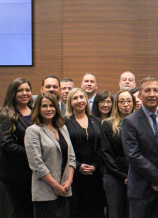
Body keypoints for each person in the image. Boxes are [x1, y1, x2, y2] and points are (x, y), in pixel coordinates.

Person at [122, 77, 158, 218]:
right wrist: (157, 178)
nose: (152, 94)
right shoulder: (130, 121)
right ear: (139, 95)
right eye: (147, 90)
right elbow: (133, 155)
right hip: (141, 190)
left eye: (156, 90)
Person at [24, 92, 76, 218]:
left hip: (65, 189)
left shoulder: (62, 128)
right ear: (38, 109)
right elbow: (36, 164)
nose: (49, 109)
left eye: (51, 106)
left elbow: (71, 157)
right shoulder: (33, 130)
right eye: (44, 106)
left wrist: (69, 180)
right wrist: (55, 185)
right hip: (45, 191)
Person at [0, 78, 34, 218]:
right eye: (20, 90)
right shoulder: (5, 114)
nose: (25, 93)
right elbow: (6, 145)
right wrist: (34, 154)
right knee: (21, 209)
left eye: (27, 90)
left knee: (33, 209)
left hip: (33, 170)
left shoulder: (36, 112)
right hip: (13, 171)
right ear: (13, 93)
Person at [65, 88, 105, 218]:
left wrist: (95, 165)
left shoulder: (96, 121)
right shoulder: (65, 122)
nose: (79, 101)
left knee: (96, 211)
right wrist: (78, 166)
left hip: (95, 175)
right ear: (70, 102)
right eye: (75, 98)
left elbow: (101, 147)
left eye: (82, 97)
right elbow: (64, 148)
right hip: (75, 175)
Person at [101, 89, 136, 218]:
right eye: (122, 101)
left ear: (133, 103)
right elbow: (106, 153)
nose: (126, 104)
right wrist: (122, 176)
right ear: (116, 104)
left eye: (128, 101)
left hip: (135, 176)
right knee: (116, 213)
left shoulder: (139, 122)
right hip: (114, 176)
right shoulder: (108, 124)